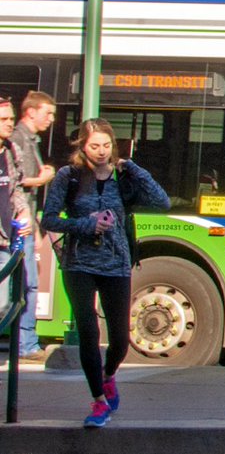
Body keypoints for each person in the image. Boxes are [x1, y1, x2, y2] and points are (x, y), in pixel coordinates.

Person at [39, 118, 170, 428]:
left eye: (107, 146)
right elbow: (49, 220)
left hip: (116, 264)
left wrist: (133, 168)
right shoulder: (69, 176)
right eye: (94, 146)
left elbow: (162, 202)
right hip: (79, 263)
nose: (101, 152)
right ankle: (98, 401)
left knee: (121, 340)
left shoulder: (122, 176)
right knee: (88, 330)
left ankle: (109, 375)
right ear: (82, 147)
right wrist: (87, 224)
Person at [10, 90, 56, 362]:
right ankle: (26, 344)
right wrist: (43, 179)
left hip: (26, 221)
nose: (51, 119)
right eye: (47, 113)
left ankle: (26, 342)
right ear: (31, 112)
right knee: (27, 283)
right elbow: (17, 180)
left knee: (28, 283)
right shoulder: (18, 139)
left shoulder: (29, 139)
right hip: (19, 223)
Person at [1, 97, 30, 323]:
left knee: (3, 304)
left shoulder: (12, 150)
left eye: (11, 118)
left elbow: (16, 188)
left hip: (4, 239)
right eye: (3, 119)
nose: (10, 123)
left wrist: (24, 210)